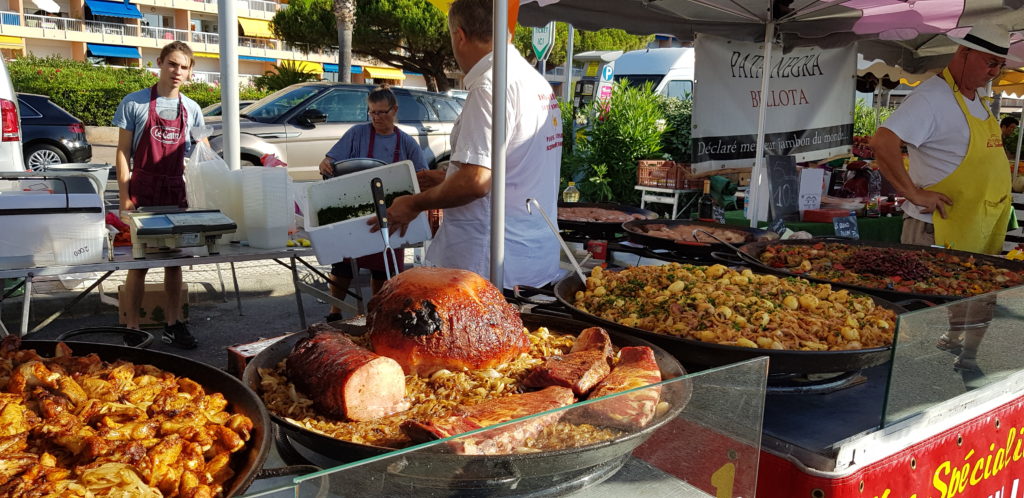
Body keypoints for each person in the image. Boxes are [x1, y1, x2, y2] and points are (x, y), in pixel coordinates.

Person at [378, 0, 562, 289]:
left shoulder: (491, 86)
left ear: (459, 35)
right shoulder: (535, 81)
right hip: (531, 256)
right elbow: (516, 166)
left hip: (487, 265)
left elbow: (476, 182)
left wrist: (414, 203)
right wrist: (448, 177)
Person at [870, 24, 1015, 372]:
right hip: (937, 228)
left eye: (1000, 66)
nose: (993, 72)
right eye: (989, 63)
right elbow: (882, 142)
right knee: (930, 304)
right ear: (963, 53)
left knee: (975, 297)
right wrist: (913, 192)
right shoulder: (932, 97)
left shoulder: (975, 97)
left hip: (976, 224)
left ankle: (960, 354)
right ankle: (909, 374)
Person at [114, 41, 205, 348]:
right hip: (143, 192)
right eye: (172, 64)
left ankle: (173, 323)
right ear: (160, 63)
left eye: (183, 66)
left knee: (174, 263)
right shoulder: (135, 103)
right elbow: (122, 152)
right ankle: (133, 326)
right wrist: (124, 196)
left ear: (190, 71)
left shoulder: (192, 110)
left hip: (174, 193)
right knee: (139, 264)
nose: (177, 71)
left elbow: (199, 157)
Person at [317, 85, 427, 321]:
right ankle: (334, 313)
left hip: (391, 212)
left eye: (382, 112)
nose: (376, 118)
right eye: (372, 112)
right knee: (344, 264)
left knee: (382, 266)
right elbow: (330, 160)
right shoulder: (357, 133)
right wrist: (325, 163)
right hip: (354, 207)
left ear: (394, 110)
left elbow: (422, 176)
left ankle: (375, 313)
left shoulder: (407, 143)